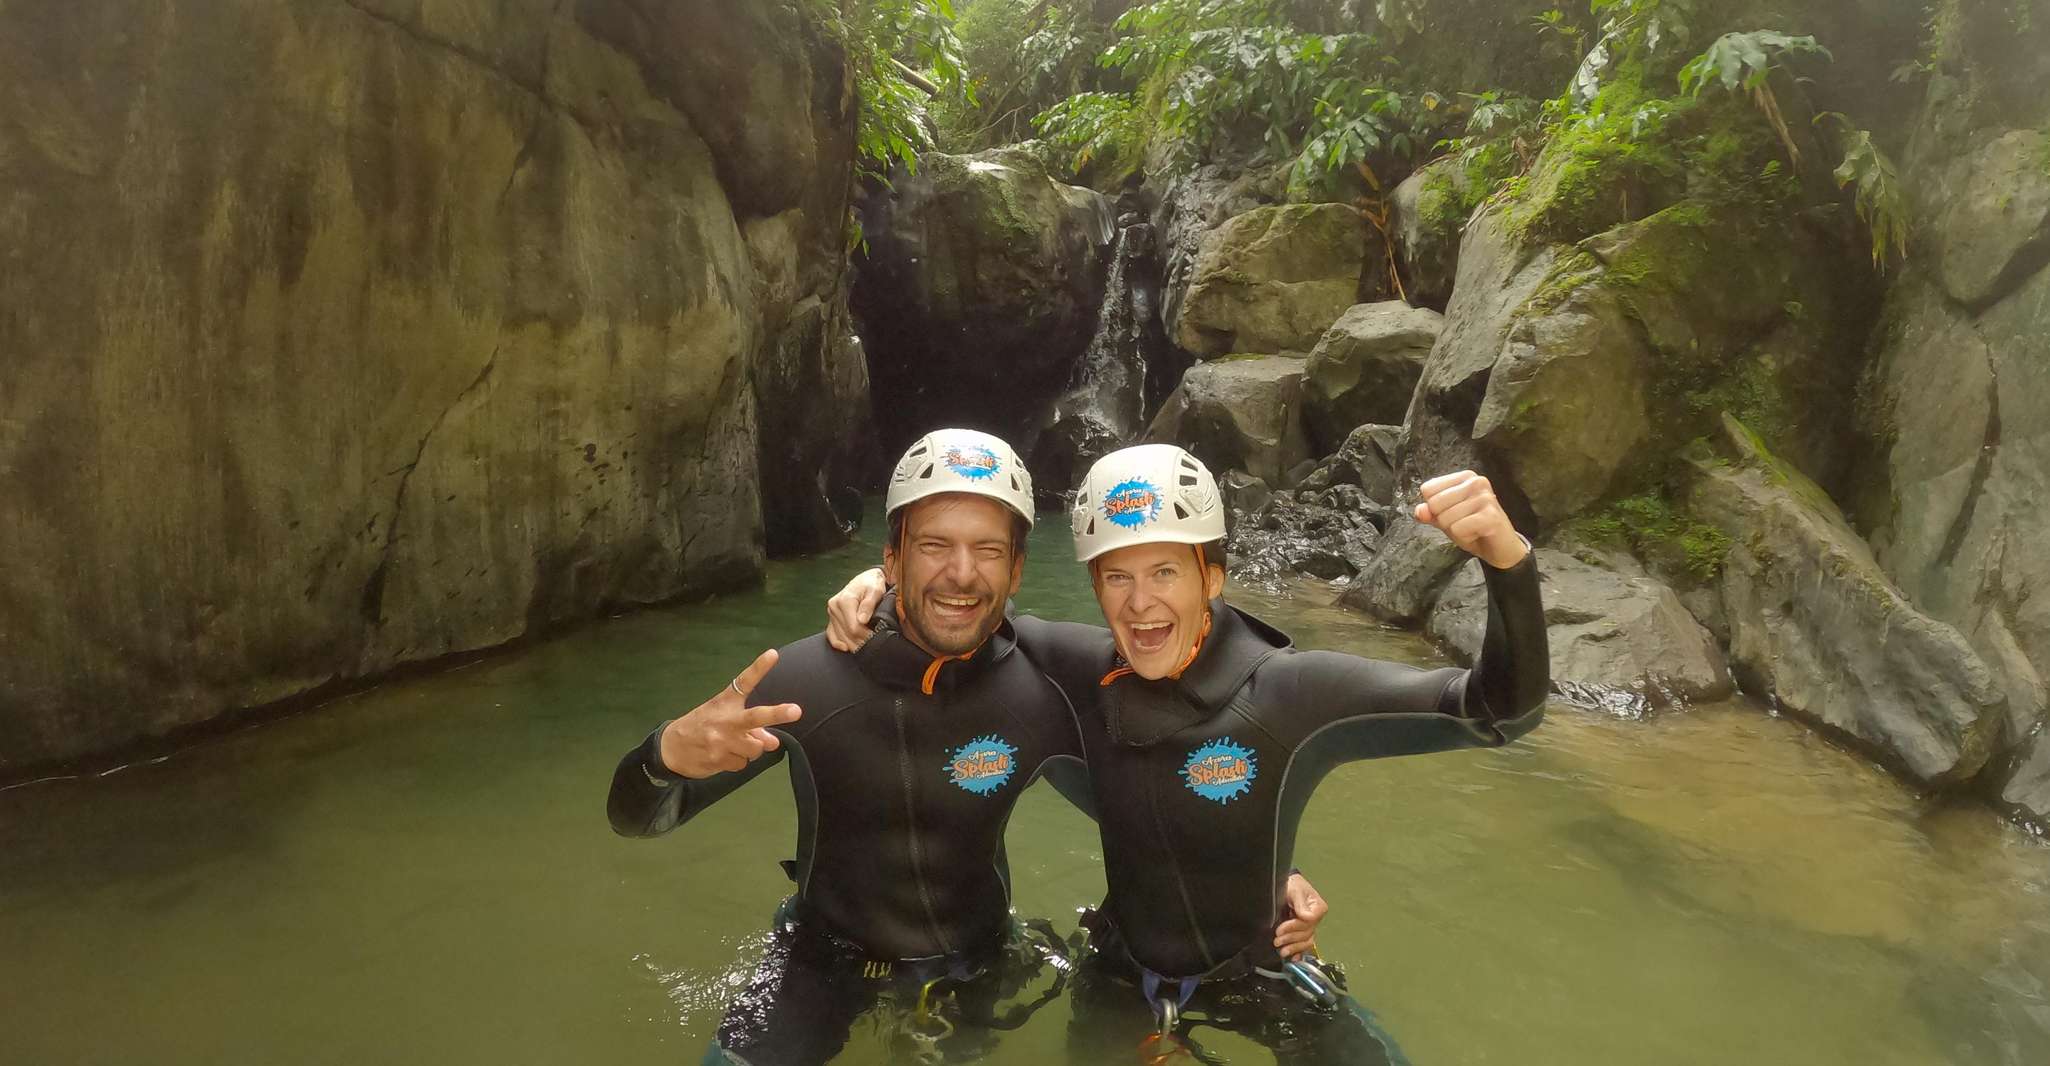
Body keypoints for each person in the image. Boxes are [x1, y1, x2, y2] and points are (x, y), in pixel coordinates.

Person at [607, 430, 1327, 1066]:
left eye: (987, 550)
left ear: (1017, 572)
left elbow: (1173, 748)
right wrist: (663, 754)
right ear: (890, 558)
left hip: (985, 966)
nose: (961, 573)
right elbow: (634, 818)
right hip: (817, 963)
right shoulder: (800, 679)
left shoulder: (1051, 681)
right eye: (933, 546)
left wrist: (1259, 870)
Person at [826, 443, 1548, 1063]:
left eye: (1164, 573)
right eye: (1118, 576)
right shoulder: (1077, 670)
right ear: (1096, 588)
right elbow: (960, 604)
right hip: (1117, 978)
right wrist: (878, 586)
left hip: (1266, 978)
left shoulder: (1290, 693)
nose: (1140, 604)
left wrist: (1507, 563)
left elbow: (1497, 713)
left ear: (1211, 578)